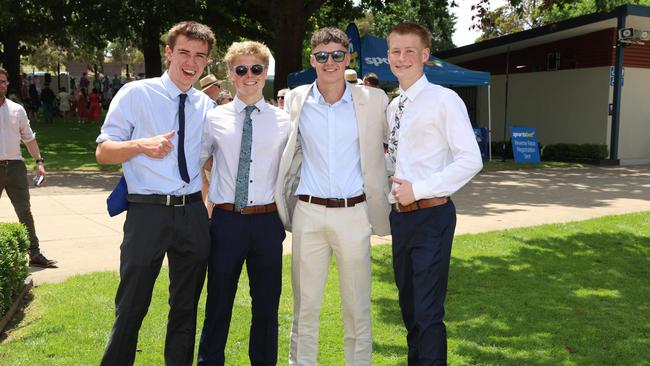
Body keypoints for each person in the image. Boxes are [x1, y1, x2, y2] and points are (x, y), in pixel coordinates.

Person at [95, 21, 215, 366]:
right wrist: (139, 146)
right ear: (168, 52)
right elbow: (103, 153)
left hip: (192, 213)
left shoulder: (205, 107)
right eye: (184, 53)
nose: (191, 63)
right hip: (148, 212)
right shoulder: (137, 94)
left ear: (207, 61)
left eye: (200, 56)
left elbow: (206, 160)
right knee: (131, 304)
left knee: (186, 307)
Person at [274, 27, 390, 366]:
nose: (330, 62)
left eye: (337, 55)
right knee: (305, 308)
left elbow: (397, 143)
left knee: (357, 308)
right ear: (312, 59)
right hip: (308, 214)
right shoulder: (296, 99)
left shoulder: (373, 100)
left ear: (348, 57)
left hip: (354, 214)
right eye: (322, 56)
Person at [385, 22, 483, 366]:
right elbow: (397, 160)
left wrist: (419, 190)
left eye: (410, 50)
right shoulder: (393, 107)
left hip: (432, 216)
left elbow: (471, 160)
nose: (402, 57)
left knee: (427, 313)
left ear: (425, 55)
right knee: (409, 309)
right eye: (395, 51)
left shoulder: (444, 100)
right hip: (401, 220)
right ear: (388, 56)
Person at [197, 40, 289, 366]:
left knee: (266, 306)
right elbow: (200, 160)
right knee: (218, 303)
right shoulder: (213, 118)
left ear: (265, 73)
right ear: (230, 75)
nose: (249, 75)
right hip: (225, 223)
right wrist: (212, 191)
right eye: (241, 69)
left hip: (267, 223)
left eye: (256, 68)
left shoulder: (284, 121)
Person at [0, 68, 57, 268]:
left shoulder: (17, 110)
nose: (2, 85)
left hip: (15, 167)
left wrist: (39, 162)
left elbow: (29, 138)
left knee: (25, 212)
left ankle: (34, 253)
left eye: (4, 81)